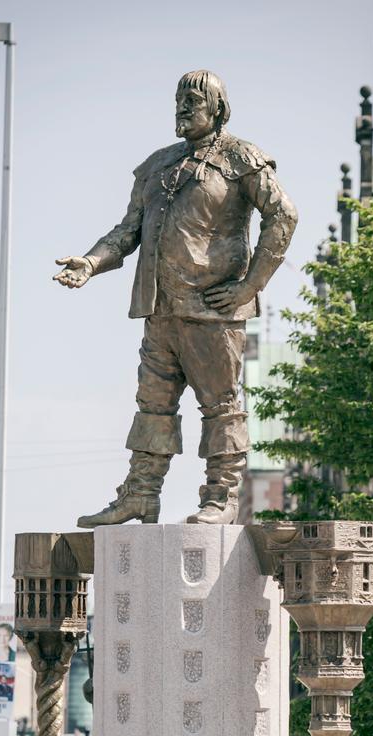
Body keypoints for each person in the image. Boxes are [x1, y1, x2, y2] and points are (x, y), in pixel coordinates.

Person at [54, 70, 297, 527]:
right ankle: (140, 494)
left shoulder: (242, 158)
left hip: (212, 310)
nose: (183, 109)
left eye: (193, 100)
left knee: (221, 406)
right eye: (178, 101)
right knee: (153, 404)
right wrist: (90, 262)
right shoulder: (157, 165)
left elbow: (284, 216)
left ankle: (221, 497)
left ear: (218, 108)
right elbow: (128, 231)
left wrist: (249, 287)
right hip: (160, 308)